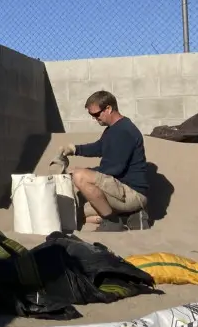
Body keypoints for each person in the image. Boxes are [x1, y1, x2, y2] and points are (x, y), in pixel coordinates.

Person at [59, 90, 150, 231]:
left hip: (131, 193)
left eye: (96, 114)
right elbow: (99, 147)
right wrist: (74, 149)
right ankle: (128, 216)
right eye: (91, 115)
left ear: (108, 108)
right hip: (117, 190)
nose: (95, 119)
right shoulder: (112, 130)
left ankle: (112, 221)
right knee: (76, 213)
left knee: (80, 176)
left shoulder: (124, 131)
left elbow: (114, 168)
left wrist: (80, 173)